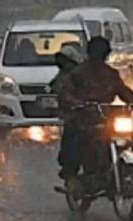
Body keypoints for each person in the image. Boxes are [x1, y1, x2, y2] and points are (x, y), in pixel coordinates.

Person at [62, 36, 133, 192]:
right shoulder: (77, 74)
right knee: (75, 135)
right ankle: (71, 175)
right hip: (84, 116)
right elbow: (67, 93)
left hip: (108, 116)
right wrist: (78, 104)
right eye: (96, 54)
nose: (98, 58)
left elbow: (123, 91)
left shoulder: (111, 74)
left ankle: (114, 170)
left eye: (101, 55)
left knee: (128, 134)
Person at [50, 45, 84, 186]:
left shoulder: (85, 73)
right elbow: (61, 93)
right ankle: (69, 169)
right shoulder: (63, 78)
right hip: (73, 115)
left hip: (90, 113)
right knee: (73, 137)